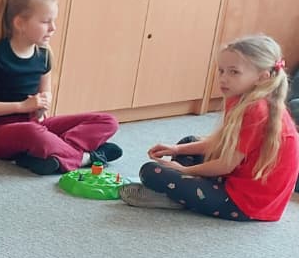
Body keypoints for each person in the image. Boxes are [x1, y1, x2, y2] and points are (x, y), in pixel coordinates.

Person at [122, 34, 298, 219]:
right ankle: (183, 192)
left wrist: (183, 170)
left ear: (261, 78)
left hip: (246, 204)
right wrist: (176, 149)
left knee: (151, 172)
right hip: (237, 177)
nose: (223, 78)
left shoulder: (256, 110)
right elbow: (222, 143)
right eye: (221, 71)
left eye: (234, 72)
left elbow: (225, 165)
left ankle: (177, 196)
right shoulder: (239, 97)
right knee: (188, 143)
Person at [0, 0, 121, 174]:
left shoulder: (43, 55)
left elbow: (45, 96)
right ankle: (85, 157)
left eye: (53, 21)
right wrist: (21, 106)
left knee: (108, 121)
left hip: (35, 124)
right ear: (20, 23)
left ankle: (54, 155)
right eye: (46, 22)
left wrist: (41, 107)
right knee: (33, 133)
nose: (53, 28)